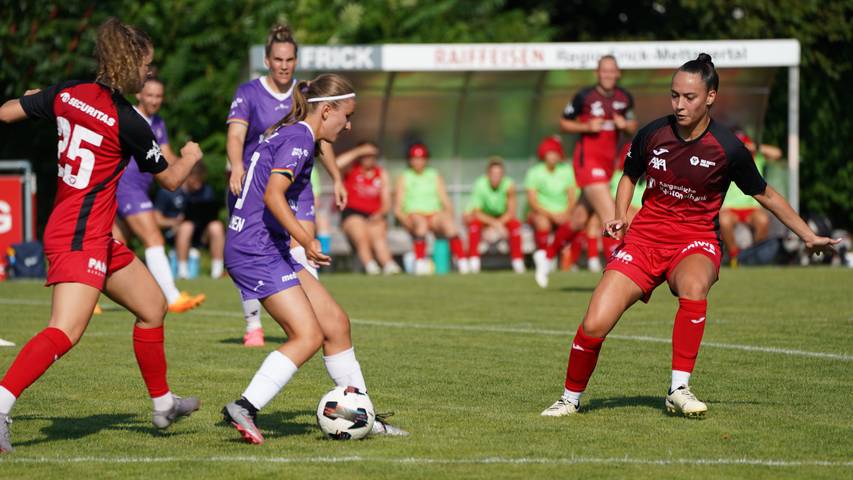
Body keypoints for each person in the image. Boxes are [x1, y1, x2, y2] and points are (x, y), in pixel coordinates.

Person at [540, 54, 839, 419]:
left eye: (689, 97)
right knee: (594, 323)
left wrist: (808, 235)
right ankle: (570, 399)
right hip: (645, 240)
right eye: (674, 96)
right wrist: (620, 216)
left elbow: (766, 194)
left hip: (695, 240)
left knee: (694, 288)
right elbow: (629, 176)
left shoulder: (728, 148)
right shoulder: (652, 133)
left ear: (710, 96)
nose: (679, 105)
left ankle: (678, 388)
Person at [0, 18, 204, 453]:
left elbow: (7, 112)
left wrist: (41, 100)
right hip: (79, 234)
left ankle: (163, 404)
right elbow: (169, 181)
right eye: (146, 66)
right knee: (65, 330)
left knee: (152, 306)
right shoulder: (128, 121)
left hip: (90, 233)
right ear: (127, 63)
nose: (148, 74)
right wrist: (188, 156)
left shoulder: (67, 92)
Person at [221, 74, 407, 444]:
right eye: (346, 116)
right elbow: (274, 195)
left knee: (336, 323)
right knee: (307, 335)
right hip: (256, 249)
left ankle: (363, 415)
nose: (349, 124)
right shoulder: (299, 138)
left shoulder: (295, 133)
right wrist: (306, 239)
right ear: (327, 110)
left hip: (266, 244)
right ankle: (245, 406)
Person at [225, 24, 346, 347]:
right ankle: (253, 325)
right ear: (267, 60)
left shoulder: (307, 93)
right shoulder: (249, 93)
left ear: (295, 61)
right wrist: (235, 164)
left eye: (290, 59)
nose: (284, 65)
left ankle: (313, 317)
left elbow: (322, 138)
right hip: (256, 184)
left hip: (299, 187)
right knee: (254, 249)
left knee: (303, 246)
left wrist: (336, 177)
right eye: (278, 59)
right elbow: (236, 134)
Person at [112, 77, 205, 310]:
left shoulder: (158, 122)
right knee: (153, 238)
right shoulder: (128, 117)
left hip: (141, 188)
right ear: (139, 95)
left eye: (159, 96)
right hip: (127, 186)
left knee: (115, 245)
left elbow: (166, 157)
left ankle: (87, 298)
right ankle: (173, 298)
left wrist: (187, 166)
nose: (154, 100)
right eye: (150, 95)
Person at [556, 55, 638, 267]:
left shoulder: (624, 98)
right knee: (612, 216)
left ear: (618, 73)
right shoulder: (584, 96)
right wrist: (586, 127)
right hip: (587, 162)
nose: (608, 75)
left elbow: (633, 126)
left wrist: (625, 125)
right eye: (604, 71)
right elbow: (564, 123)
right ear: (597, 73)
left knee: (579, 220)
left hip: (607, 165)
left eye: (612, 71)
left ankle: (547, 255)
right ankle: (619, 270)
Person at [394, 143, 468, 275]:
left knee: (449, 226)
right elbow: (398, 208)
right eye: (415, 158)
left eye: (421, 158)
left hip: (433, 215)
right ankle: (420, 263)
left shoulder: (434, 175)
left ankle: (462, 262)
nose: (418, 162)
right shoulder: (404, 177)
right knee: (421, 224)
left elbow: (445, 200)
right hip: (414, 215)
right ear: (410, 160)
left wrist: (449, 215)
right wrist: (405, 221)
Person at [336, 141, 401, 275]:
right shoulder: (351, 169)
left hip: (374, 214)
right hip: (352, 213)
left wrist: (380, 214)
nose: (368, 158)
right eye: (365, 155)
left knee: (379, 238)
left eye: (372, 155)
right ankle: (370, 266)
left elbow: (387, 202)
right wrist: (359, 151)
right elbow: (335, 164)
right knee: (361, 234)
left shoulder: (381, 173)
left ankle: (389, 265)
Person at [526, 136, 583, 287]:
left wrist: (566, 213)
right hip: (543, 212)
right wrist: (552, 215)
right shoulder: (534, 172)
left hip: (563, 212)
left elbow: (572, 196)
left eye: (555, 153)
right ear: (543, 154)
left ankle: (570, 262)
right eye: (549, 153)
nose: (552, 156)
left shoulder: (567, 170)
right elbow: (532, 201)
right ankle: (546, 259)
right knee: (542, 223)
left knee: (578, 222)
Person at [719, 130, 781, 265]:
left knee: (763, 220)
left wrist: (755, 147)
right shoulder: (727, 158)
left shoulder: (757, 156)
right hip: (730, 208)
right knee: (723, 220)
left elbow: (777, 154)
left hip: (752, 207)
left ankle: (753, 255)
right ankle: (734, 258)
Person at [464, 157, 525, 273]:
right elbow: (477, 212)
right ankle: (473, 263)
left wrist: (498, 224)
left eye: (499, 174)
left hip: (502, 217)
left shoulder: (509, 185)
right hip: (485, 217)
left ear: (503, 175)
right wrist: (495, 225)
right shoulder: (480, 184)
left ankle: (518, 262)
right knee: (473, 226)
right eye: (493, 174)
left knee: (516, 226)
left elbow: (511, 212)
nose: (496, 177)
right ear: (488, 174)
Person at [171, 163, 225, 279]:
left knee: (216, 226)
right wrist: (175, 222)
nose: (198, 185)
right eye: (196, 180)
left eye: (200, 181)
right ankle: (183, 272)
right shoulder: (172, 190)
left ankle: (217, 271)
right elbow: (157, 218)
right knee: (187, 226)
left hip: (202, 233)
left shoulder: (207, 190)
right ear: (188, 177)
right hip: (177, 233)